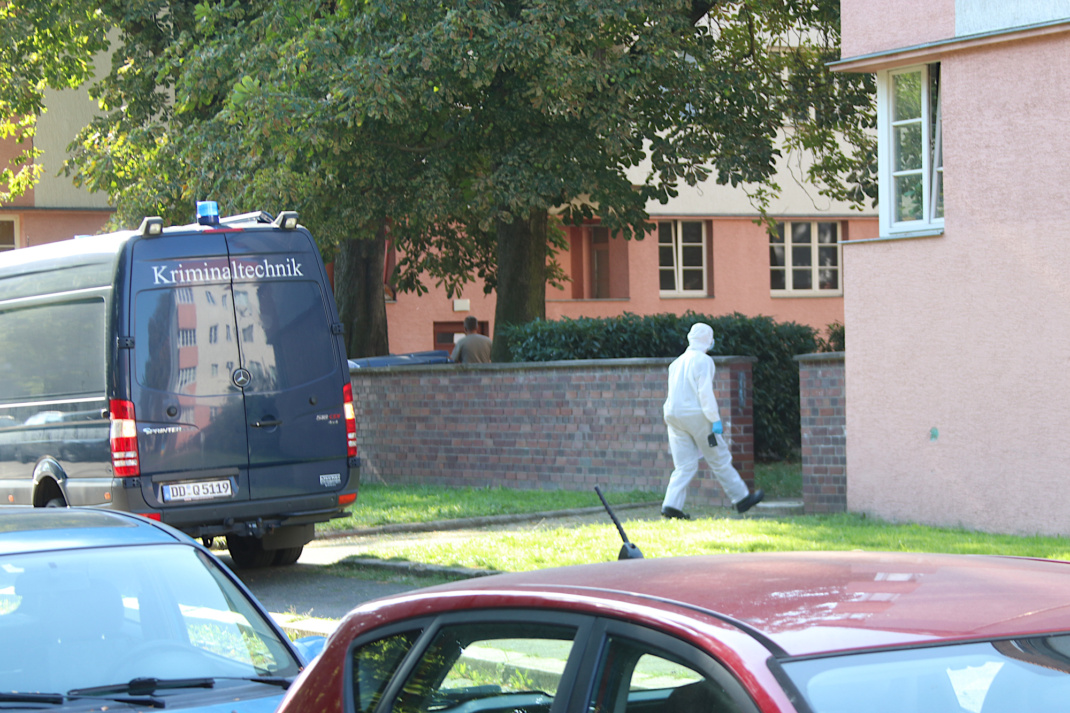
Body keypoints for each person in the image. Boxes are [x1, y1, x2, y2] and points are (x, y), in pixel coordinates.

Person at [661, 323, 764, 519]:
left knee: (684, 465)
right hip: (697, 417)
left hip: (673, 416)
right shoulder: (704, 361)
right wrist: (714, 419)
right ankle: (741, 498)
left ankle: (671, 506)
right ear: (707, 339)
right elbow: (705, 394)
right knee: (719, 458)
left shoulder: (676, 363)